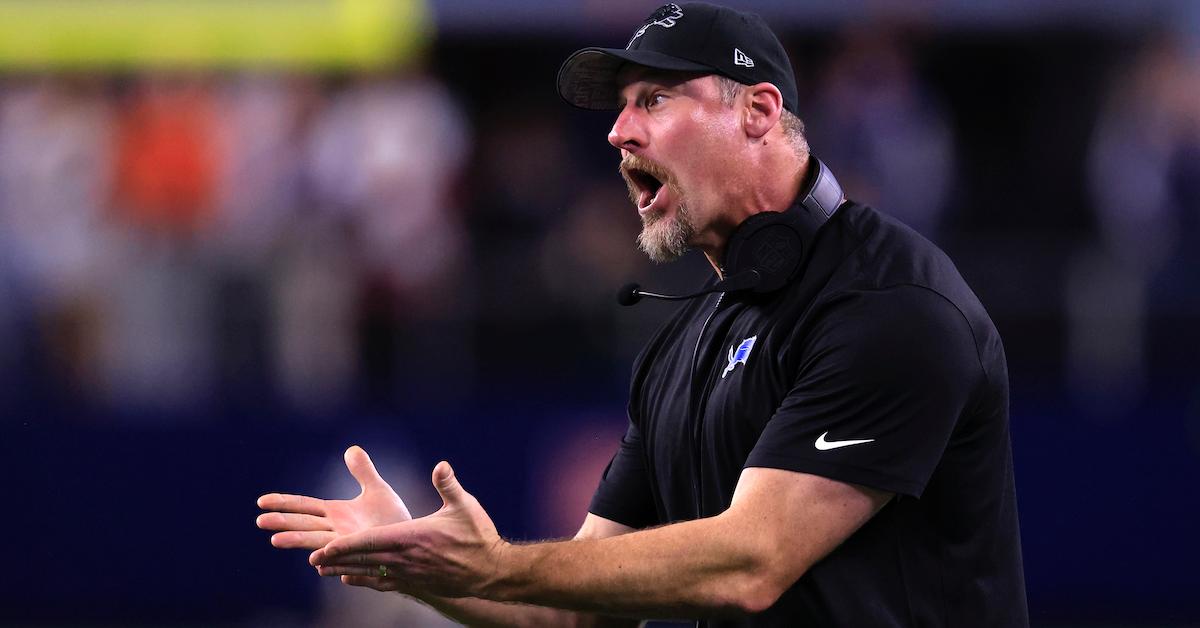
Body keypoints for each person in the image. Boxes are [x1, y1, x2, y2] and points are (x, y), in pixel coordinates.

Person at [257, 3, 1029, 626]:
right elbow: (569, 613)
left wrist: (493, 562)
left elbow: (751, 562)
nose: (618, 132)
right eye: (622, 109)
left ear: (759, 111)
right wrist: (417, 569)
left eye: (653, 100)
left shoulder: (890, 305)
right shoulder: (684, 345)